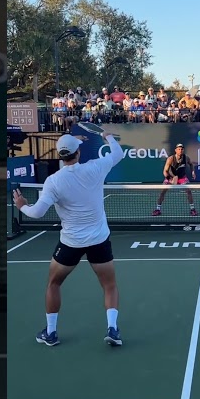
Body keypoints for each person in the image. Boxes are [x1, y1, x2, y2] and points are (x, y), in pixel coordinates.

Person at [13, 133, 126, 348]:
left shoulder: (54, 181)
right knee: (109, 285)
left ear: (60, 155)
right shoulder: (95, 167)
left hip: (70, 243)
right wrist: (108, 136)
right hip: (99, 240)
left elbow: (36, 212)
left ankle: (51, 333)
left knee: (53, 283)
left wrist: (21, 206)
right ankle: (112, 329)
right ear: (79, 152)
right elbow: (118, 153)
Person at [152, 142, 196, 216]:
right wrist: (170, 179)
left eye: (182, 149)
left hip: (182, 177)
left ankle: (192, 209)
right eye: (179, 149)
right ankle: (157, 209)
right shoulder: (171, 159)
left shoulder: (186, 158)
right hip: (171, 177)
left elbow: (191, 164)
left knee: (189, 191)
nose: (180, 150)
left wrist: (193, 172)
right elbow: (165, 171)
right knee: (162, 192)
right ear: (176, 150)